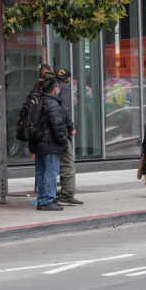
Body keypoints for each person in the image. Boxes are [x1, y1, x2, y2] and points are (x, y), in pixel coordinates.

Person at [28, 75, 69, 211]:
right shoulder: (53, 104)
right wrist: (64, 141)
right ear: (55, 89)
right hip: (50, 144)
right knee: (51, 173)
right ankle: (47, 201)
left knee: (41, 172)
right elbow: (57, 126)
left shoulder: (36, 101)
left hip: (37, 143)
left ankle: (42, 199)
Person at [55, 69, 82, 206]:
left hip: (49, 132)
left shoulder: (50, 87)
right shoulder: (64, 88)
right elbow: (65, 109)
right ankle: (66, 195)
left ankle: (49, 194)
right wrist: (71, 127)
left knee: (53, 164)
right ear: (69, 78)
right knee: (68, 162)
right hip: (60, 131)